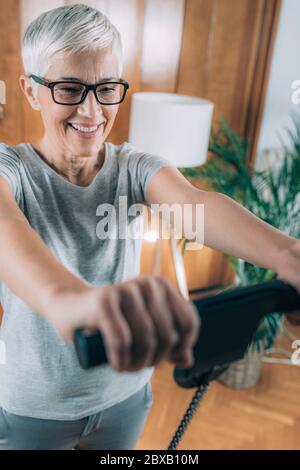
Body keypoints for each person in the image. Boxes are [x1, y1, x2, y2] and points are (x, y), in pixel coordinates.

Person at [0, 3, 299, 450]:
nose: (92, 110)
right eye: (69, 89)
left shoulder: (135, 168)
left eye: (106, 89)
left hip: (124, 397)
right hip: (34, 409)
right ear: (30, 90)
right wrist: (70, 302)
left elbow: (195, 206)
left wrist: (287, 255)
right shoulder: (13, 169)